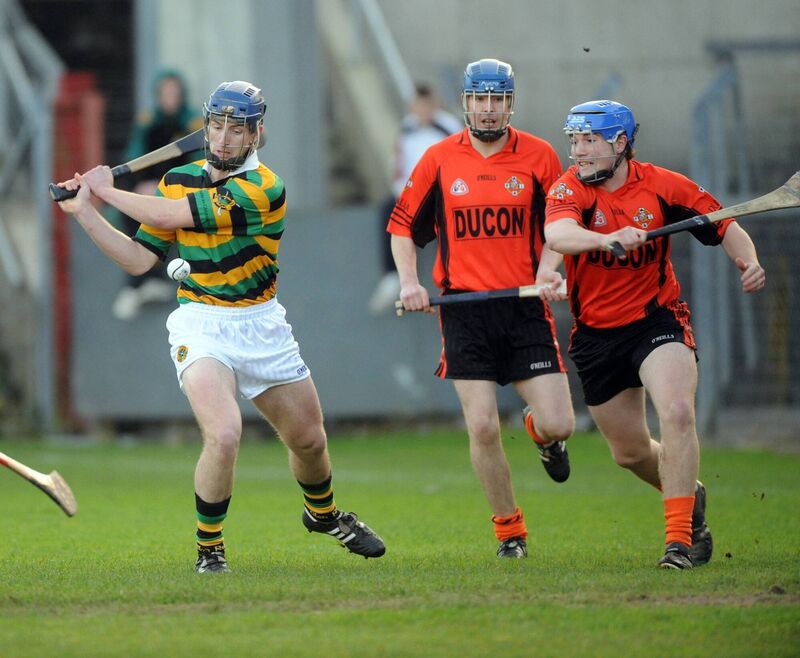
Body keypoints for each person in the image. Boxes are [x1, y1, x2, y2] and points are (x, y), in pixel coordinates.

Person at [56, 80, 385, 572]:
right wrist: (86, 212)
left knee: (310, 441)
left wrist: (106, 190)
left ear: (255, 134)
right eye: (217, 125)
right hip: (201, 323)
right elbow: (137, 259)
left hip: (261, 322)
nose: (225, 137)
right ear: (205, 127)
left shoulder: (263, 188)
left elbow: (174, 214)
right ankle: (210, 550)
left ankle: (323, 513)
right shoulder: (179, 178)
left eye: (238, 128)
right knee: (225, 433)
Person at [544, 99, 766, 569]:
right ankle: (692, 494)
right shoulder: (569, 189)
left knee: (679, 412)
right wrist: (605, 238)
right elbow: (559, 235)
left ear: (620, 143)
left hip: (656, 319)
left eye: (589, 141)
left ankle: (678, 542)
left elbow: (723, 223)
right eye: (574, 141)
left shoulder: (663, 185)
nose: (577, 151)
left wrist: (748, 261)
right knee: (629, 452)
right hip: (597, 335)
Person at [388, 58, 575, 558]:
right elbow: (403, 227)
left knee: (560, 422)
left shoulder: (539, 156)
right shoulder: (438, 158)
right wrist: (409, 282)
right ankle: (509, 530)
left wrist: (547, 270)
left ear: (510, 104)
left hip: (525, 307)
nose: (489, 110)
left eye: (498, 100)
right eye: (480, 100)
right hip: (465, 308)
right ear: (466, 103)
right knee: (484, 426)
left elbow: (559, 224)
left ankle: (542, 435)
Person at [112, 70, 203, 320]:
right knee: (130, 212)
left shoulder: (193, 124)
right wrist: (143, 184)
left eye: (174, 92)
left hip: (182, 193)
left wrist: (167, 188)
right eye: (165, 92)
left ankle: (137, 285)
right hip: (150, 190)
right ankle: (145, 281)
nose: (170, 98)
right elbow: (134, 158)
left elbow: (199, 165)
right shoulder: (148, 121)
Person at [368, 83, 461, 314]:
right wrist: (402, 191)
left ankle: (456, 274)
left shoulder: (449, 126)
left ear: (434, 105)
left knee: (449, 219)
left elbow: (460, 161)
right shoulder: (407, 127)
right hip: (412, 191)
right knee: (388, 209)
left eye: (426, 105)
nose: (422, 110)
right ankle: (392, 275)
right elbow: (398, 164)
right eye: (418, 105)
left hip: (444, 191)